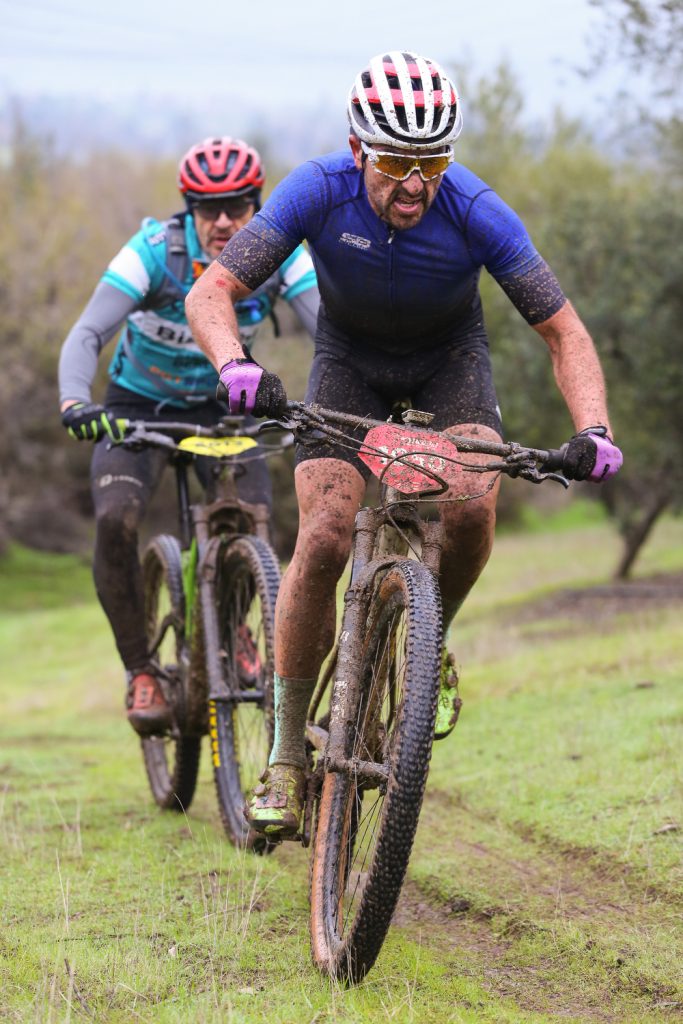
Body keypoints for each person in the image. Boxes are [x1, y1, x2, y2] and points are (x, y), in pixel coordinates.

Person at [184, 52, 623, 837]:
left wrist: (592, 428)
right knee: (322, 538)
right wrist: (234, 363)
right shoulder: (318, 190)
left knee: (473, 510)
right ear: (359, 150)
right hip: (346, 363)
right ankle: (286, 760)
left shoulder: (476, 208)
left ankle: (427, 647)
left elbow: (564, 332)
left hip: (449, 361)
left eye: (432, 160)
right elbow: (212, 291)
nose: (415, 182)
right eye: (395, 162)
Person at [58, 136, 319, 736]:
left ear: (257, 204)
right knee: (116, 519)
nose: (223, 221)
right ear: (188, 209)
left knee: (256, 517)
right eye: (208, 208)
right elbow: (86, 334)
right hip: (137, 408)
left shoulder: (282, 253)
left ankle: (235, 627)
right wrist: (76, 399)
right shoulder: (152, 254)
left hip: (224, 406)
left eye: (237, 206)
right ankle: (142, 668)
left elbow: (327, 327)